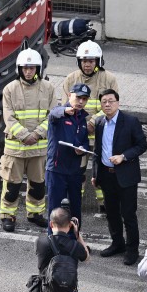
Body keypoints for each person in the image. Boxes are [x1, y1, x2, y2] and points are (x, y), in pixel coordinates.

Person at [0, 48, 57, 232]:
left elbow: (53, 115)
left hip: (38, 148)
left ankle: (35, 214)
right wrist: (26, 136)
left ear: (38, 69)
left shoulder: (48, 88)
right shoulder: (10, 89)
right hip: (15, 149)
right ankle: (8, 215)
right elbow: (8, 118)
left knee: (38, 185)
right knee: (11, 186)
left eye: (32, 68)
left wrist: (38, 134)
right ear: (19, 69)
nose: (28, 71)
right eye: (25, 68)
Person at [61, 41, 120, 214]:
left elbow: (111, 106)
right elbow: (66, 107)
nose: (87, 64)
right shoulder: (71, 79)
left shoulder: (109, 79)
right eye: (84, 60)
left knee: (102, 171)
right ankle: (74, 200)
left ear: (98, 61)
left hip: (102, 133)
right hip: (78, 135)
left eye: (91, 60)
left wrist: (93, 122)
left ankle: (105, 203)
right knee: (77, 171)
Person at [92, 89, 147, 265]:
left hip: (126, 176)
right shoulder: (100, 122)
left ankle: (132, 250)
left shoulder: (130, 121)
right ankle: (117, 243)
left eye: (110, 101)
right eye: (104, 102)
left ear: (118, 103)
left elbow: (141, 145)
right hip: (106, 176)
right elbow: (97, 151)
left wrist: (123, 156)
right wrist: (95, 174)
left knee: (128, 214)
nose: (107, 104)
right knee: (111, 213)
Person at [46, 84, 90, 226]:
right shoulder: (60, 113)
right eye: (78, 97)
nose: (81, 101)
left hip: (74, 171)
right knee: (55, 211)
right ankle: (53, 241)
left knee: (75, 210)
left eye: (84, 99)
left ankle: (75, 241)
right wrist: (65, 111)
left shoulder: (82, 119)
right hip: (57, 170)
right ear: (70, 95)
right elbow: (53, 113)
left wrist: (82, 148)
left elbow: (85, 141)